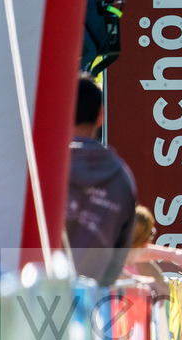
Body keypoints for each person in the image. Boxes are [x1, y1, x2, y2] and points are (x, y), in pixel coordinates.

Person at [66, 73, 138, 287]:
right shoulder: (123, 178)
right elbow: (119, 255)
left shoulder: (39, 168)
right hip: (92, 300)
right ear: (101, 115)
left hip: (33, 298)